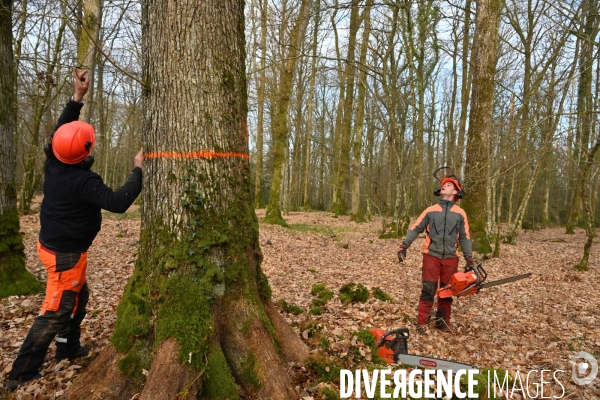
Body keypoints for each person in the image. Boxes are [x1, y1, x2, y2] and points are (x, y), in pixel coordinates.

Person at [7, 68, 144, 391]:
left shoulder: (54, 160)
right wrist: (138, 170)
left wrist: (77, 98)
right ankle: (21, 373)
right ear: (86, 151)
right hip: (65, 255)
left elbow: (63, 129)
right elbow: (119, 201)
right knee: (56, 311)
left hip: (54, 247)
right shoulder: (84, 182)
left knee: (79, 298)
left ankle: (68, 348)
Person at [397, 173, 473, 335]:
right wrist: (404, 245)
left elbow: (465, 237)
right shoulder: (430, 211)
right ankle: (422, 322)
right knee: (428, 289)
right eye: (444, 184)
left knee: (447, 291)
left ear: (455, 192)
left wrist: (469, 258)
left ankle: (442, 321)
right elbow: (416, 228)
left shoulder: (460, 214)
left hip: (451, 258)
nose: (444, 185)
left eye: (449, 184)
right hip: (431, 255)